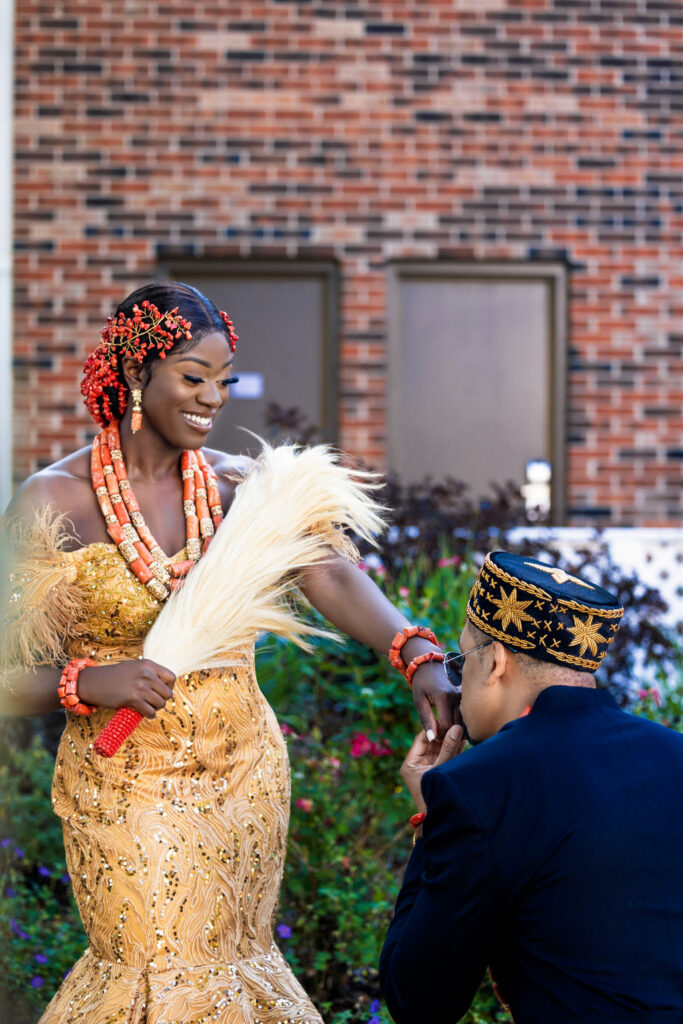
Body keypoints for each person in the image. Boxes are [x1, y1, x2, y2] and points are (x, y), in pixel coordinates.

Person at [1, 281, 458, 1024]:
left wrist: (415, 650)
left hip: (242, 768)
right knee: (157, 961)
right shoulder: (55, 502)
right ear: (136, 372)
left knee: (229, 960)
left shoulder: (234, 489)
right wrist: (89, 681)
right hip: (125, 781)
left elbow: (330, 572)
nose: (213, 397)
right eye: (193, 377)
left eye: (224, 381)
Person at [380, 551, 683, 1024]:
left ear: (496, 660)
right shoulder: (675, 754)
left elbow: (418, 999)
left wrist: (430, 819)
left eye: (461, 661)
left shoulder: (478, 785)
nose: (458, 685)